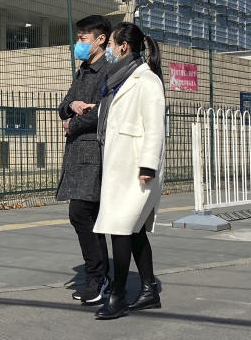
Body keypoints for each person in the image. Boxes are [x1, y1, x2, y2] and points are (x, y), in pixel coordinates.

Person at [92, 22, 165, 320]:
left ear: (124, 46)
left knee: (121, 229)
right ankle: (149, 289)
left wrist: (148, 163)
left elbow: (155, 126)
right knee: (132, 232)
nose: (108, 49)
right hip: (119, 167)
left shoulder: (146, 81)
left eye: (110, 43)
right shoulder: (119, 80)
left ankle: (118, 295)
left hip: (137, 170)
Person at [56, 15, 112, 306]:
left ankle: (97, 277)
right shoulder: (84, 69)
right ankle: (101, 276)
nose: (78, 43)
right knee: (90, 217)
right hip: (79, 153)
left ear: (100, 39)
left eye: (83, 38)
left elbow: (104, 111)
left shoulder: (108, 70)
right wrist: (71, 106)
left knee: (81, 214)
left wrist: (72, 124)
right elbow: (63, 105)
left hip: (95, 153)